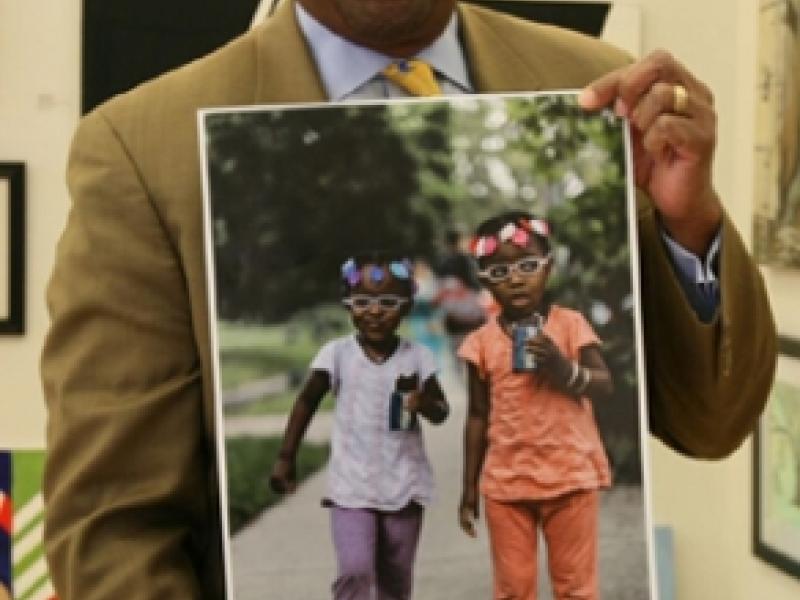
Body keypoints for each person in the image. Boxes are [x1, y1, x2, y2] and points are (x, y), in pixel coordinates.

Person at [40, 0, 776, 596]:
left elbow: (712, 421)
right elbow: (114, 529)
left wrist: (689, 222)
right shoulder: (143, 148)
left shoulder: (595, 89)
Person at [269, 252, 449, 600]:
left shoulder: (418, 358)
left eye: (388, 302)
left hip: (404, 485)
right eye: (363, 301)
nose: (375, 311)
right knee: (355, 569)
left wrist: (424, 403)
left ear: (407, 306)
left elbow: (441, 411)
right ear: (348, 305)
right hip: (351, 487)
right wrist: (286, 457)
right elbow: (306, 401)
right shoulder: (336, 355)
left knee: (396, 579)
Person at [458, 212, 613, 600]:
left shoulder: (570, 325)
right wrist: (469, 488)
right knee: (513, 590)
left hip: (570, 478)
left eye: (527, 266)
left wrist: (561, 367)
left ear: (549, 267)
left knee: (576, 589)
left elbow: (605, 385)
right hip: (506, 486)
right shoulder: (480, 343)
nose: (515, 279)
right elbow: (477, 416)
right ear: (484, 281)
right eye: (500, 271)